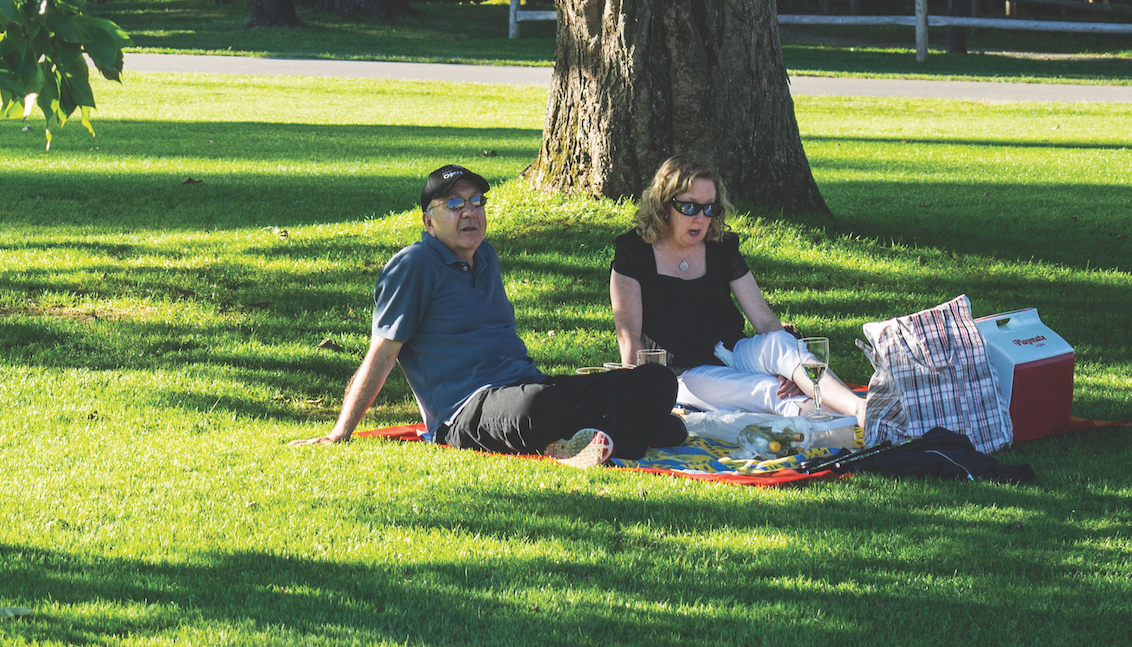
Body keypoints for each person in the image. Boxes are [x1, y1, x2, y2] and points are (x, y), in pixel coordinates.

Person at [323, 165, 682, 466]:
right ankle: (625, 433)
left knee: (656, 380)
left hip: (528, 384)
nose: (469, 212)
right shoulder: (413, 266)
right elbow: (383, 353)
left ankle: (601, 441)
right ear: (428, 221)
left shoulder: (486, 256)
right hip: (468, 410)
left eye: (476, 202)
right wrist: (341, 431)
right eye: (453, 204)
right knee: (541, 407)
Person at [611, 157, 860, 426]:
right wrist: (640, 398)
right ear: (664, 206)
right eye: (689, 206)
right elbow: (629, 339)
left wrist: (789, 370)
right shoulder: (634, 252)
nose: (700, 218)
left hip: (733, 350)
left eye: (710, 208)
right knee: (765, 390)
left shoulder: (721, 248)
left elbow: (764, 321)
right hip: (685, 371)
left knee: (780, 344)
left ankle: (859, 407)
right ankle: (843, 418)